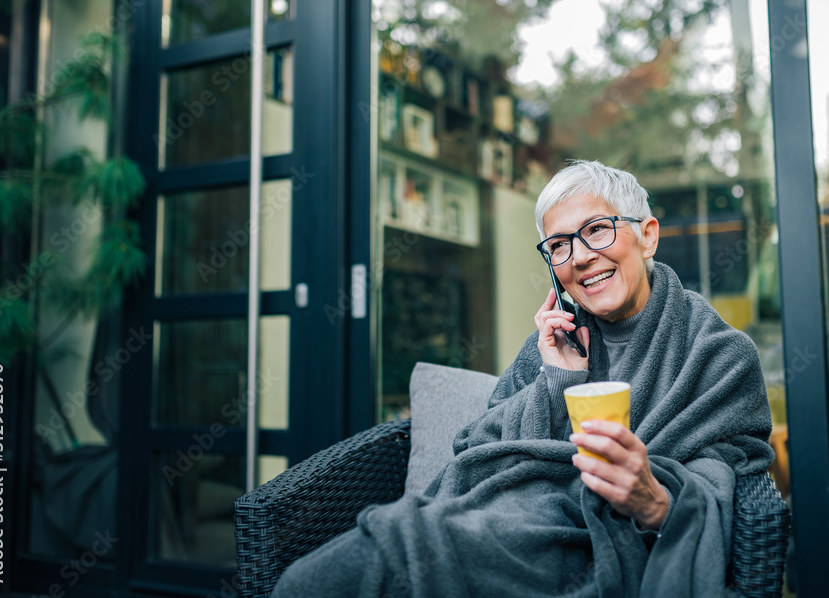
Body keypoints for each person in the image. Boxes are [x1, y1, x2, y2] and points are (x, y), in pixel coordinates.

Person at [272, 160, 774, 597]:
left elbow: (727, 486)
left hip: (592, 549)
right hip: (494, 524)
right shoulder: (560, 340)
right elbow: (475, 453)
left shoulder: (718, 356)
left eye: (597, 229)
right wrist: (555, 381)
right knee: (312, 579)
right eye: (559, 245)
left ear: (647, 235)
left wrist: (655, 499)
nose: (579, 257)